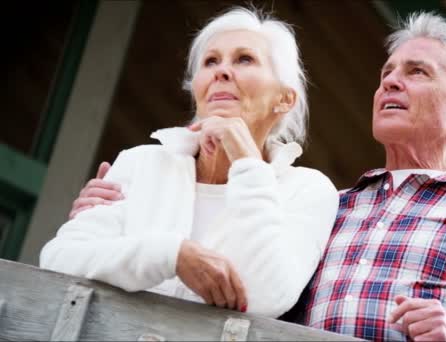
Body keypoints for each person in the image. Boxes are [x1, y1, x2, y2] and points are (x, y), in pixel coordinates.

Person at [67, 11, 446, 342]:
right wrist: (111, 214)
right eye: (387, 73)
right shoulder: (326, 204)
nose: (390, 83)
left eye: (416, 72)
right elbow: (235, 273)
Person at [40, 7, 339, 320]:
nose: (221, 72)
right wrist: (171, 255)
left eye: (244, 59)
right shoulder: (140, 162)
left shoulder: (308, 189)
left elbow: (267, 295)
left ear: (284, 99)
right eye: (211, 61)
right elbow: (59, 259)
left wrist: (247, 161)